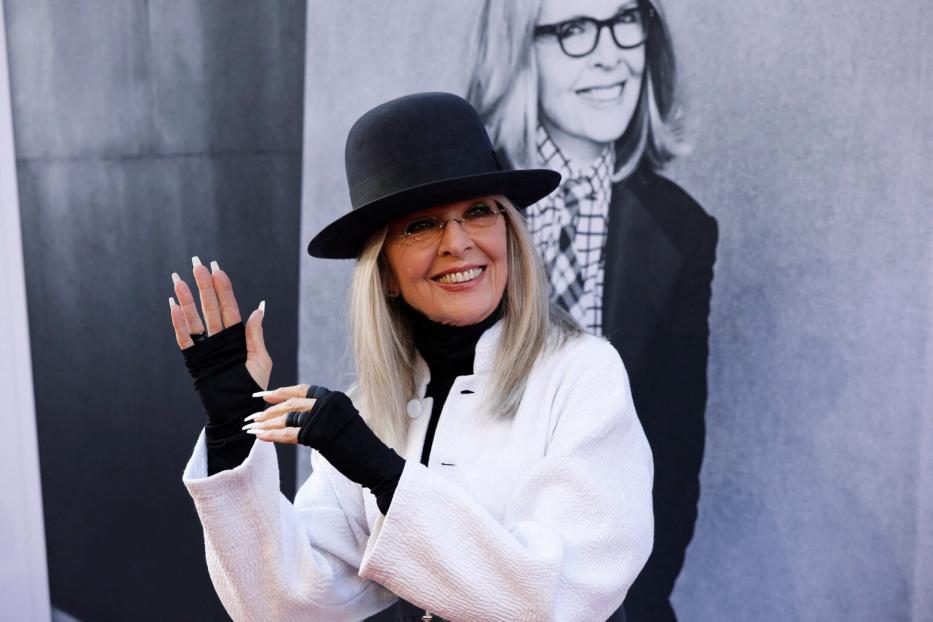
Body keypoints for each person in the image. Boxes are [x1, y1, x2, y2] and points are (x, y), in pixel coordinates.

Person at [170, 92, 653, 621]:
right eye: (421, 225)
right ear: (385, 275)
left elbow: (560, 603)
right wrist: (231, 430)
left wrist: (385, 474)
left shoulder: (582, 375)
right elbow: (281, 607)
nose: (459, 243)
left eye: (477, 212)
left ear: (510, 235)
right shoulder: (370, 408)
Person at [467, 2, 718, 620]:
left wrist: (623, 600)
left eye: (625, 20)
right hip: (457, 579)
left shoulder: (682, 230)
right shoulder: (452, 200)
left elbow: (674, 455)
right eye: (575, 30)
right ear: (518, 50)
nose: (610, 53)